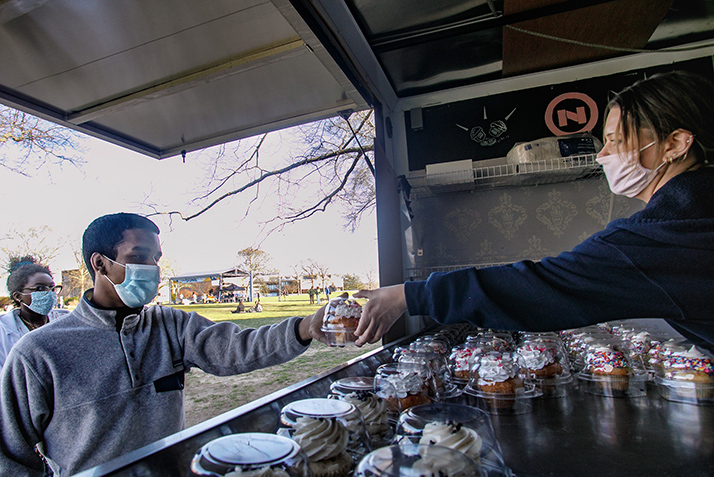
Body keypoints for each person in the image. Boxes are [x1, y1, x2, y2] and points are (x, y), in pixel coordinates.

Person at [355, 71, 714, 352]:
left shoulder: (670, 232)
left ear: (676, 144)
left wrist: (410, 295)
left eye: (616, 140)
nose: (603, 155)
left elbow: (542, 288)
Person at [0, 213, 329, 476]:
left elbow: (237, 347)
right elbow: (11, 454)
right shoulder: (38, 354)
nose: (153, 269)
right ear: (100, 263)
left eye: (156, 258)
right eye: (139, 256)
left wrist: (304, 327)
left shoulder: (171, 325)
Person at [0, 256, 69, 368]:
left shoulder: (66, 319)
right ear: (18, 296)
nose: (49, 293)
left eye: (52, 288)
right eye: (40, 289)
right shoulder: (3, 329)